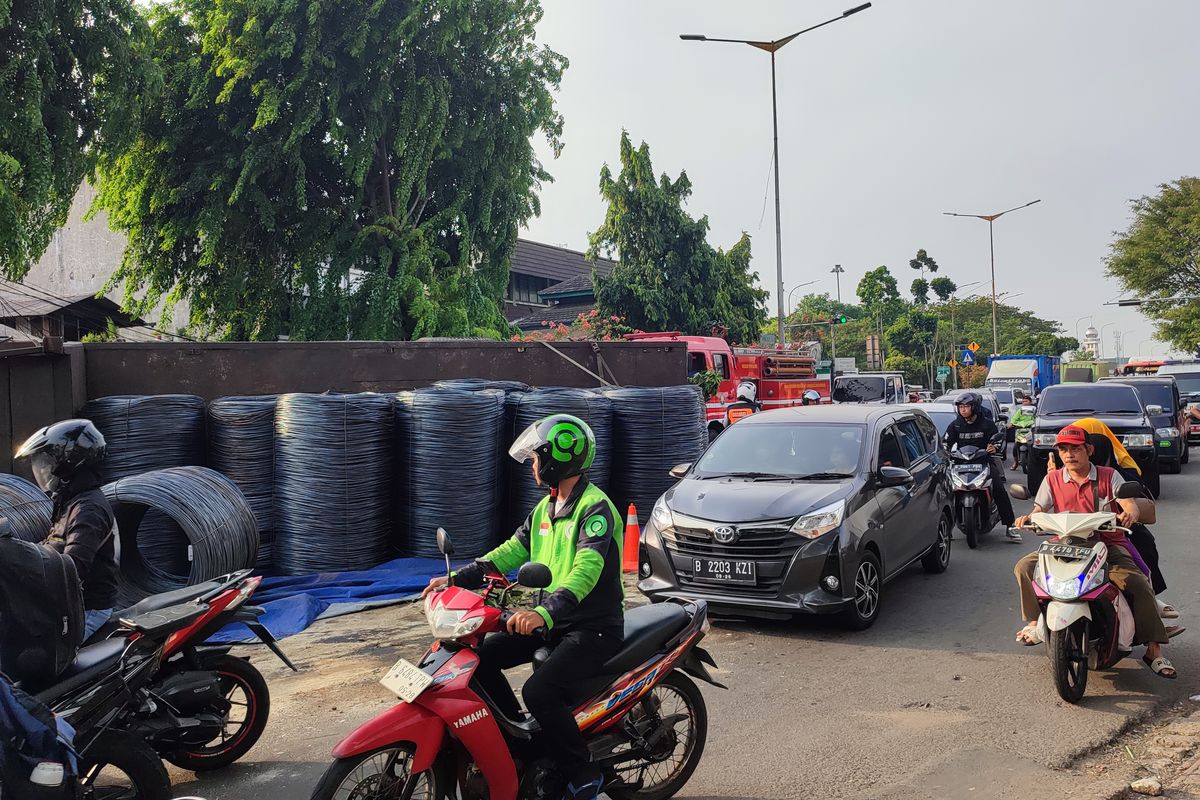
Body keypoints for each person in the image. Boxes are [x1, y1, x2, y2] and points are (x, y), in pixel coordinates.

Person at [422, 414, 623, 800]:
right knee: (478, 658)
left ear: (557, 459)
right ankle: (519, 738)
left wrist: (543, 612)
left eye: (536, 457)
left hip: (592, 626)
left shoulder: (594, 509)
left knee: (539, 691)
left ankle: (583, 776)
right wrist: (454, 580)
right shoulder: (547, 507)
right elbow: (511, 550)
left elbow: (586, 570)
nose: (532, 465)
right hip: (552, 620)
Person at [1011, 425, 1176, 678]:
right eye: (1064, 449)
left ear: (1089, 450)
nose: (1069, 455)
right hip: (1064, 543)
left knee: (1137, 583)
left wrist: (1129, 513)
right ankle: (1034, 623)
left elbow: (1129, 504)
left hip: (1107, 544)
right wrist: (1029, 519)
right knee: (1024, 567)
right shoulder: (1052, 479)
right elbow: (1039, 509)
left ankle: (1153, 649)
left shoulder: (1109, 476)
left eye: (1075, 449)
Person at [14, 420, 117, 639]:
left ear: (68, 463)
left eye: (45, 464)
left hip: (87, 609)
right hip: (71, 605)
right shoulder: (70, 501)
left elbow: (73, 567)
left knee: (34, 656)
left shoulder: (88, 509)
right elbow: (50, 548)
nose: (41, 471)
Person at [943, 391, 1017, 538]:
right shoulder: (955, 425)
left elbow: (997, 441)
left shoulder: (987, 424)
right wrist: (945, 452)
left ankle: (1010, 526)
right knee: (947, 494)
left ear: (975, 407)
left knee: (999, 490)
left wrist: (994, 447)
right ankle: (946, 529)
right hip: (960, 465)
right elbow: (946, 442)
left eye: (966, 406)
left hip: (983, 463)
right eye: (961, 407)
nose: (963, 409)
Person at [1009, 394, 1036, 470]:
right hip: (1020, 431)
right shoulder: (1020, 411)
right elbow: (1014, 419)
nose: (1024, 403)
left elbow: (1037, 419)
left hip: (1030, 430)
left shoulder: (1034, 410)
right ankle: (1015, 463)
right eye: (1023, 401)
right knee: (1015, 448)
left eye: (1026, 401)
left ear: (1030, 402)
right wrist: (1011, 424)